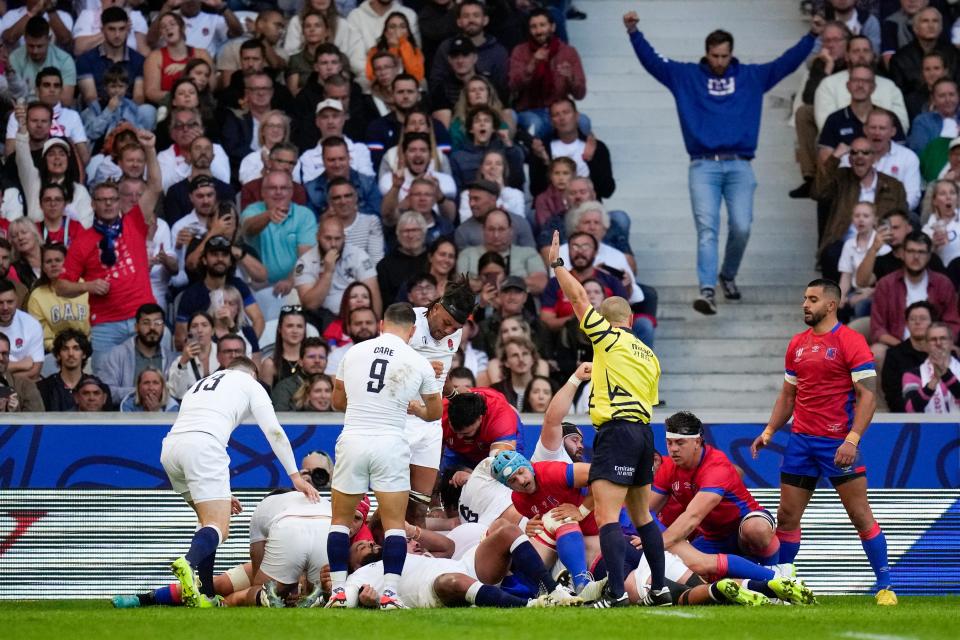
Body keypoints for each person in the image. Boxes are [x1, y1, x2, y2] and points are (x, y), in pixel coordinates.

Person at [625, 10, 819, 314]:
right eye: (715, 55)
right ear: (706, 53)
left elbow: (784, 64)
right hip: (703, 164)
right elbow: (653, 62)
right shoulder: (686, 76)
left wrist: (811, 38)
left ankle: (727, 275)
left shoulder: (751, 77)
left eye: (725, 55)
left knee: (742, 226)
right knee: (707, 229)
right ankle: (707, 289)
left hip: (740, 164)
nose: (719, 61)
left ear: (732, 53)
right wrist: (634, 33)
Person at [751, 279, 896, 606]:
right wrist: (770, 431)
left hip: (837, 444)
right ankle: (783, 586)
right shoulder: (797, 344)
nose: (805, 304)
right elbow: (788, 394)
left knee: (860, 515)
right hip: (800, 443)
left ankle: (886, 586)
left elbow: (868, 396)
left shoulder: (851, 341)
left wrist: (852, 439)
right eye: (804, 298)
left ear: (830, 305)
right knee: (787, 516)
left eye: (812, 299)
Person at [545, 229, 667, 607]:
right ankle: (659, 588)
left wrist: (557, 266)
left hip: (616, 432)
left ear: (608, 320)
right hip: (644, 433)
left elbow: (580, 299)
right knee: (643, 515)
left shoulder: (608, 339)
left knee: (606, 515)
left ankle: (615, 591)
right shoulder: (649, 355)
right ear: (631, 319)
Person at [162, 358, 319, 608]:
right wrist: (295, 477)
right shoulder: (250, 384)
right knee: (219, 527)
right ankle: (188, 563)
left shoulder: (200, 384)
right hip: (205, 447)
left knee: (206, 522)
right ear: (253, 374)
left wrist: (221, 495)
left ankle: (206, 595)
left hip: (171, 449)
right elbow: (274, 431)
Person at [326, 302, 442, 609]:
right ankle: (390, 594)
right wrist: (415, 406)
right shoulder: (418, 362)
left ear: (381, 325)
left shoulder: (353, 353)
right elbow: (435, 413)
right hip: (390, 443)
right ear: (413, 330)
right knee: (393, 525)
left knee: (339, 521)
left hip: (353, 439)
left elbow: (338, 402)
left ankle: (338, 593)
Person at [55, 129, 162, 368]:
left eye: (113, 199)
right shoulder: (83, 240)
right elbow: (61, 286)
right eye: (102, 200)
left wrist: (150, 150)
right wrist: (87, 286)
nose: (108, 204)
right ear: (93, 204)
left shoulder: (133, 221)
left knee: (149, 379)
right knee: (105, 385)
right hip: (105, 323)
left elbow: (154, 186)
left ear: (120, 201)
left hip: (141, 315)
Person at [652, 412, 780, 577]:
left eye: (680, 442)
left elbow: (693, 516)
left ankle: (777, 571)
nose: (673, 449)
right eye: (669, 443)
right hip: (712, 538)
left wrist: (653, 544)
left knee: (756, 530)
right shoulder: (667, 467)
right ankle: (754, 576)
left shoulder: (716, 465)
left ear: (697, 442)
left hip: (742, 526)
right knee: (681, 570)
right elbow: (645, 513)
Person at [402, 276, 476, 526]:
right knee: (394, 503)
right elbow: (383, 365)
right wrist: (419, 367)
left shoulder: (456, 334)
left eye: (454, 327)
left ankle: (416, 560)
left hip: (430, 425)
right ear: (434, 308)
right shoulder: (407, 321)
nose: (447, 331)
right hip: (399, 419)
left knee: (418, 508)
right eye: (445, 322)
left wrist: (454, 396)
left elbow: (441, 374)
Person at [869, 232, 960, 372]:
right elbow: (878, 329)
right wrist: (906, 347)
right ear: (902, 254)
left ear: (929, 256)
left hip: (935, 346)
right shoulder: (885, 284)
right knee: (876, 352)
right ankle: (888, 395)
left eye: (921, 252)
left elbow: (952, 323)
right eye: (911, 251)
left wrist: (939, 343)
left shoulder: (943, 284)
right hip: (897, 346)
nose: (916, 257)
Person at [507, 9, 586, 139]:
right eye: (534, 27)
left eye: (542, 25)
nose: (538, 31)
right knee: (535, 124)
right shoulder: (520, 51)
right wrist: (532, 65)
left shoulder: (568, 52)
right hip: (529, 109)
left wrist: (571, 78)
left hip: (559, 109)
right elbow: (513, 86)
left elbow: (580, 94)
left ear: (553, 27)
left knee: (583, 122)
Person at [294, 216, 382, 319]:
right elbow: (310, 305)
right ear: (317, 237)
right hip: (322, 319)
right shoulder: (305, 262)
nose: (333, 244)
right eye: (328, 238)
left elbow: (373, 295)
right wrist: (328, 272)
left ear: (344, 238)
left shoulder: (359, 256)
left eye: (338, 239)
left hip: (356, 317)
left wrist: (375, 325)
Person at [99, 303, 177, 403]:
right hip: (124, 416)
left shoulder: (172, 359)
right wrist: (140, 393)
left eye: (157, 323)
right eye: (146, 323)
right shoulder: (117, 354)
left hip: (163, 416)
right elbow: (106, 392)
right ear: (136, 327)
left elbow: (178, 393)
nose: (152, 327)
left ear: (164, 327)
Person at [26, 243, 90, 351]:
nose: (53, 264)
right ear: (44, 268)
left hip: (88, 350)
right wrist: (63, 350)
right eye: (48, 261)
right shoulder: (37, 296)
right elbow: (43, 336)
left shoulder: (85, 286)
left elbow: (96, 325)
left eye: (58, 260)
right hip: (55, 354)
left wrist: (84, 348)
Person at [882, 301, 934, 412]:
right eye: (913, 319)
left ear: (932, 323)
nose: (917, 322)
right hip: (906, 417)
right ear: (906, 324)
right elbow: (892, 396)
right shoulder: (894, 355)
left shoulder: (944, 353)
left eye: (923, 318)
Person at [902, 321, 960, 412]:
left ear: (951, 342)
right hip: (929, 426)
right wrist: (934, 381)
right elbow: (911, 409)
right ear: (926, 344)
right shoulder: (912, 375)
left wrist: (945, 374)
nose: (938, 343)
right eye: (933, 339)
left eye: (943, 338)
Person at [167, 311, 218, 400]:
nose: (199, 330)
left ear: (213, 331)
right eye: (194, 326)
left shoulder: (223, 353)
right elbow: (178, 393)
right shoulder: (180, 360)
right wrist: (183, 362)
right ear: (189, 332)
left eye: (204, 325)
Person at [36, 328, 91, 411]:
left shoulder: (97, 387)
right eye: (65, 349)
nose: (71, 354)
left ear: (84, 354)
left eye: (76, 348)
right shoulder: (43, 388)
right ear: (58, 355)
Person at [0, 278, 44, 380]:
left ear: (17, 300)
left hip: (25, 389)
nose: (5, 307)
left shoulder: (31, 324)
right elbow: (29, 368)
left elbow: (34, 372)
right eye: (0, 302)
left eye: (10, 302)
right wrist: (21, 364)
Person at [271, 338, 330, 411]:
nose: (317, 361)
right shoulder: (284, 388)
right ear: (300, 361)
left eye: (321, 357)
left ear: (326, 362)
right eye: (311, 357)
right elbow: (281, 418)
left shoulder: (334, 387)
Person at [0, 330, 44, 411]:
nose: (1, 358)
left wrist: (16, 412)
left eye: (4, 353)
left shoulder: (26, 386)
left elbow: (38, 420)